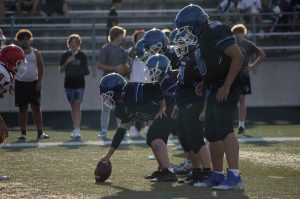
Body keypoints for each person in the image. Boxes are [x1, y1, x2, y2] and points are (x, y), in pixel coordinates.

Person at [174, 4, 244, 190]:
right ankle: (217, 174)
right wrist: (205, 82)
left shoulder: (215, 30)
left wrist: (227, 85)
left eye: (186, 29)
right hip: (214, 84)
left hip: (228, 82)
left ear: (195, 24)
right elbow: (214, 62)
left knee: (224, 128)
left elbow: (237, 56)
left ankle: (235, 175)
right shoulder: (201, 38)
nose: (185, 33)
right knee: (212, 133)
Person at [98, 73, 166, 166]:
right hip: (162, 118)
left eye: (108, 95)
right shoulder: (120, 108)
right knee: (151, 137)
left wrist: (163, 106)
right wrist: (108, 156)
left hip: (170, 109)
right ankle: (163, 169)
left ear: (116, 90)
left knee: (153, 136)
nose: (107, 99)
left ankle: (167, 170)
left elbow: (156, 85)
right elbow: (120, 132)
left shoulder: (133, 90)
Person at [15, 29, 49, 140]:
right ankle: (23, 133)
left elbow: (41, 68)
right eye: (22, 39)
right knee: (22, 109)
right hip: (20, 83)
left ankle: (40, 132)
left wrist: (39, 82)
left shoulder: (36, 53)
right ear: (18, 41)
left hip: (33, 83)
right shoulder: (16, 53)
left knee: (36, 109)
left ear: (30, 40)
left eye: (26, 39)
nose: (25, 41)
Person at [231, 24, 265, 134]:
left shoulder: (248, 44)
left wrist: (252, 66)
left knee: (241, 100)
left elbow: (262, 54)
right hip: (231, 75)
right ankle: (227, 124)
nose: (238, 34)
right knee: (230, 100)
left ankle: (241, 126)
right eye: (236, 32)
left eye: (240, 32)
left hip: (243, 76)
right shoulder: (230, 44)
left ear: (243, 33)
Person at [97, 26, 129, 139]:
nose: (123, 38)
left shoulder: (122, 50)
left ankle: (121, 130)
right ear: (116, 36)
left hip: (119, 83)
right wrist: (113, 68)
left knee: (120, 106)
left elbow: (125, 67)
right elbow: (99, 65)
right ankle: (104, 130)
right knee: (105, 107)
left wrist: (125, 69)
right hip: (106, 83)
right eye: (121, 36)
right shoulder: (105, 48)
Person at [0, 44, 26, 181]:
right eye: (19, 63)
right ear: (10, 61)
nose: (20, 66)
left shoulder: (4, 72)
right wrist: (2, 122)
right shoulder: (3, 73)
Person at [59, 34, 89, 138]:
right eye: (72, 42)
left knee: (77, 105)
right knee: (72, 107)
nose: (73, 44)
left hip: (80, 84)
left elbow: (85, 71)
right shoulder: (65, 55)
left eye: (76, 42)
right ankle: (75, 128)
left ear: (78, 44)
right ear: (69, 44)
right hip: (68, 84)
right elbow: (61, 70)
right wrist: (67, 62)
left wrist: (76, 68)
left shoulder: (82, 56)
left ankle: (77, 129)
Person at [126, 29, 147, 137]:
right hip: (135, 81)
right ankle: (133, 128)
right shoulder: (132, 49)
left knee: (147, 106)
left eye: (143, 37)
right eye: (139, 37)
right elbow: (131, 54)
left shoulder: (149, 50)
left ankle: (147, 128)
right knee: (134, 107)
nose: (142, 39)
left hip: (147, 80)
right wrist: (137, 44)